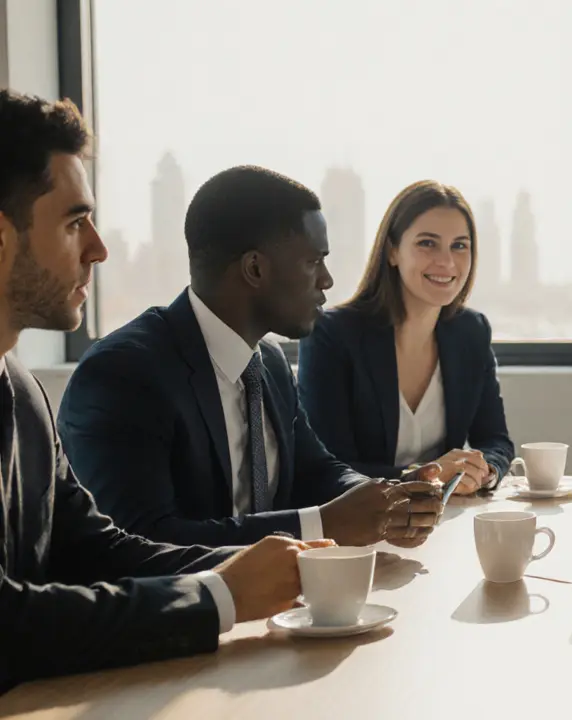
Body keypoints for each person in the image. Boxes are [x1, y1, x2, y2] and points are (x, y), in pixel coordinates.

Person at [0, 88, 329, 693]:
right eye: (75, 222)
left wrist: (275, 568)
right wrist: (220, 596)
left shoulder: (18, 388)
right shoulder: (121, 371)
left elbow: (95, 548)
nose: (99, 248)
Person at [57, 166, 442, 548]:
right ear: (255, 268)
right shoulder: (124, 374)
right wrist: (321, 525)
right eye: (313, 261)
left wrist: (386, 498)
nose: (326, 280)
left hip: (279, 604)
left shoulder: (268, 363)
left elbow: (315, 470)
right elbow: (142, 541)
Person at [298, 180, 514, 495]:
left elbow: (495, 439)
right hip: (358, 524)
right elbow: (329, 467)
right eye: (428, 243)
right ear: (393, 251)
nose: (447, 262)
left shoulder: (471, 332)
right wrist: (428, 476)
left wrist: (485, 472)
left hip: (442, 519)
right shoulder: (332, 335)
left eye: (459, 245)